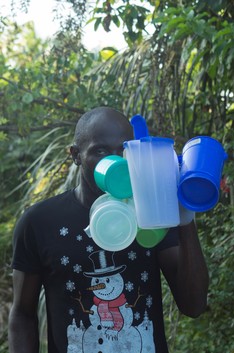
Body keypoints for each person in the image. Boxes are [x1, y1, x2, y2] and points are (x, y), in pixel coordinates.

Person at [8, 106, 209, 353]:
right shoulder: (39, 222)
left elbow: (194, 304)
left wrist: (186, 219)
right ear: (75, 155)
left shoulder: (150, 215)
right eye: (100, 151)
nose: (115, 162)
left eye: (124, 150)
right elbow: (22, 315)